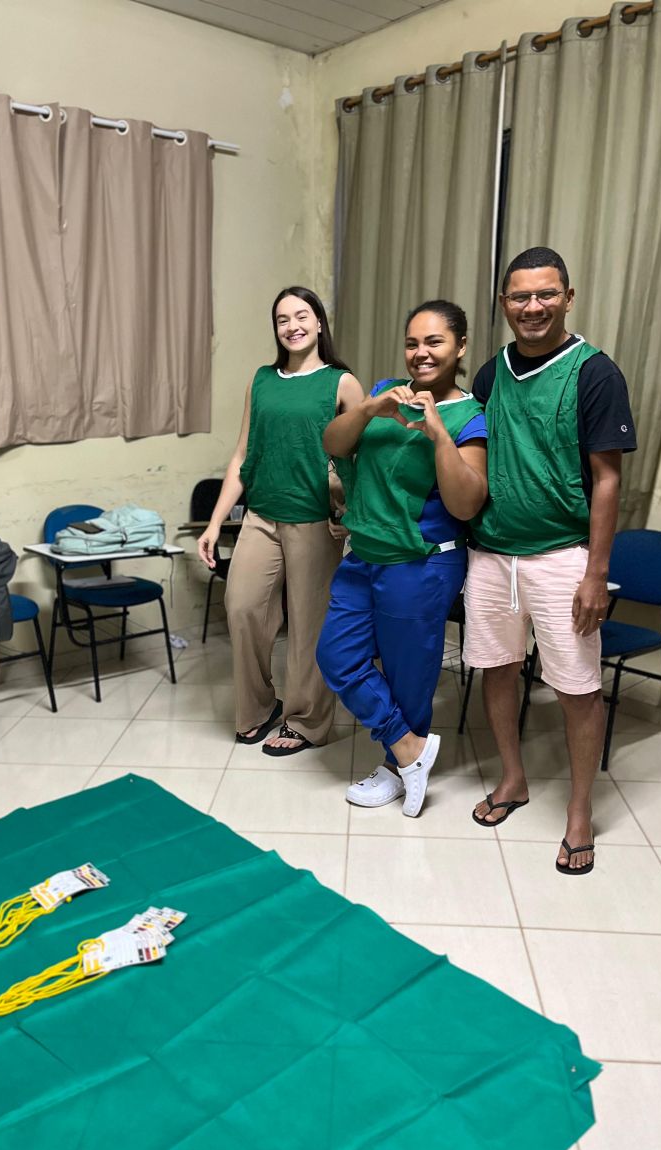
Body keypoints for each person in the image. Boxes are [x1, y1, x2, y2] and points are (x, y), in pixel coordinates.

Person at [464, 246, 637, 874]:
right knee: (497, 670)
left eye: (545, 294)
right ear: (504, 303)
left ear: (567, 298)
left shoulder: (595, 374)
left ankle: (580, 812)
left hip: (563, 557)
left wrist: (596, 574)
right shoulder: (490, 375)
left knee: (577, 689)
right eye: (520, 296)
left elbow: (608, 480)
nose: (532, 306)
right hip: (491, 554)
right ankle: (513, 779)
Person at [317, 300, 488, 817]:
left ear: (460, 346)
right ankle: (410, 748)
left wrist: (439, 436)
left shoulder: (471, 417)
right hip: (364, 554)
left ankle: (397, 769)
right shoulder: (385, 392)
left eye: (434, 342)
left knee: (408, 673)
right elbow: (333, 443)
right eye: (413, 343)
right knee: (337, 656)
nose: (421, 353)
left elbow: (466, 504)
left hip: (422, 564)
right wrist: (368, 410)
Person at [197, 287, 364, 755]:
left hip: (314, 522)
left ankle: (307, 721)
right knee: (242, 607)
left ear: (319, 322)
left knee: (309, 626)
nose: (293, 326)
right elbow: (242, 454)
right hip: (261, 516)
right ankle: (258, 706)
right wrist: (215, 523)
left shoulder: (342, 383)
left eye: (302, 315)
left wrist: (352, 514)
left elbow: (363, 457)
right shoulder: (262, 380)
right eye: (282, 319)